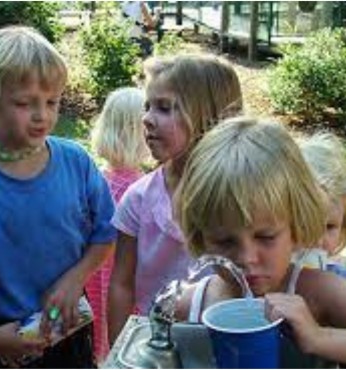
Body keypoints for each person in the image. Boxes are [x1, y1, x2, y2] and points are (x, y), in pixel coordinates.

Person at [0, 25, 117, 368]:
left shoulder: (76, 161)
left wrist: (75, 279)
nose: (43, 115)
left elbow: (105, 233)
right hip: (8, 337)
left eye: (52, 102)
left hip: (70, 325)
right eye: (25, 103)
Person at [174, 117, 346, 365]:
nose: (246, 258)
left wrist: (319, 337)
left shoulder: (322, 295)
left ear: (296, 227)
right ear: (200, 236)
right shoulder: (189, 305)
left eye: (266, 237)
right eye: (224, 241)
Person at [108, 53, 243, 344]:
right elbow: (121, 283)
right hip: (158, 343)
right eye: (147, 107)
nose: (146, 118)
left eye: (164, 108)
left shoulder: (240, 197)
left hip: (227, 340)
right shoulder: (139, 199)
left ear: (212, 116)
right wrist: (118, 351)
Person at [86, 86, 150, 362]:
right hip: (125, 279)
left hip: (95, 275)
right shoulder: (142, 190)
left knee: (99, 332)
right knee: (126, 342)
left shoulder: (95, 179)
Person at [293, 132, 346, 275]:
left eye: (329, 227)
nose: (317, 240)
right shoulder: (262, 281)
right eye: (305, 225)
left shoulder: (340, 280)